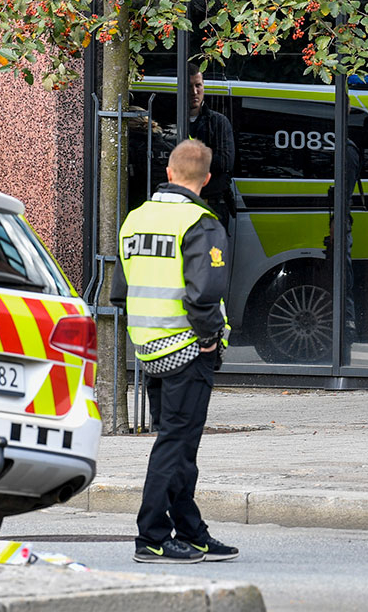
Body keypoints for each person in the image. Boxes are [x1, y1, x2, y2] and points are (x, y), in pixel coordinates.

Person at [115, 138, 239, 564]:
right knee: (175, 445)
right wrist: (209, 339)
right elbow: (205, 295)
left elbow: (119, 292)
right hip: (189, 349)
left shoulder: (135, 219)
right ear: (205, 180)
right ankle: (150, 537)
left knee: (179, 445)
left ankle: (192, 531)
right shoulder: (201, 223)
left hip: (149, 351)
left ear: (169, 173)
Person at [187, 71, 235, 226]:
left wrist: (188, 159)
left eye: (198, 85)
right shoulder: (171, 120)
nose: (194, 92)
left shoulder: (218, 122)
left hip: (211, 204)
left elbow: (225, 162)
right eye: (189, 86)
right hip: (179, 205)